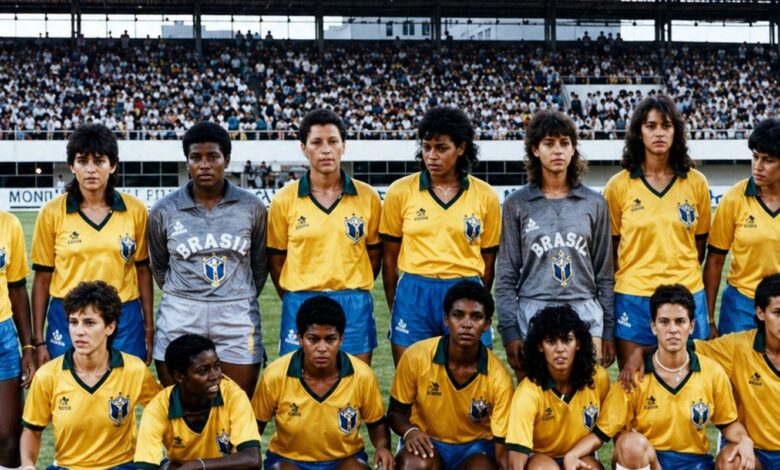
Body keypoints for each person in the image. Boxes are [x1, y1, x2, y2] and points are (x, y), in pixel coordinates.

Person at [565, 285, 755, 470]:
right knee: (629, 444)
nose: (672, 329)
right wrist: (572, 454)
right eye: (664, 322)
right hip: (649, 460)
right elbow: (601, 433)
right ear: (653, 326)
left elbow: (728, 424)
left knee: (736, 459)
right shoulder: (633, 376)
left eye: (680, 321)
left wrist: (745, 440)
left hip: (694, 462)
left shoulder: (712, 372)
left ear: (691, 326)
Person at [148, 121, 268, 396]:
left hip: (236, 312)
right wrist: (187, 294)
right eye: (196, 158)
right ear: (187, 162)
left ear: (227, 159)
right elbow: (160, 266)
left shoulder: (252, 207)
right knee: (180, 405)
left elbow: (259, 266)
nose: (204, 165)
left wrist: (234, 293)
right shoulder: (164, 210)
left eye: (213, 157)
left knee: (238, 403)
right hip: (181, 311)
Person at [496, 110, 614, 376]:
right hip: (533, 308)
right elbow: (505, 275)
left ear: (573, 149)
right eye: (549, 143)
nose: (557, 150)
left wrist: (608, 328)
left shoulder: (595, 203)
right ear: (535, 150)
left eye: (564, 143)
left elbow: (605, 275)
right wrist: (510, 330)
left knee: (587, 395)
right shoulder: (517, 204)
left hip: (584, 308)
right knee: (536, 394)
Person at [621, 273, 780, 469]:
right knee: (733, 461)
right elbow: (681, 345)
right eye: (778, 313)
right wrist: (639, 352)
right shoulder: (737, 347)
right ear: (761, 313)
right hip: (755, 454)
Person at [380, 106, 500, 365]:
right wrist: (399, 305)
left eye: (441, 148)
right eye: (426, 147)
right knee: (411, 376)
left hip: (465, 291)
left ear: (461, 148)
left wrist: (475, 298)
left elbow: (488, 261)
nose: (431, 156)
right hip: (414, 293)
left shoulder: (486, 196)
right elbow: (388, 261)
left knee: (471, 377)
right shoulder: (400, 192)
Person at [603, 95, 712, 367]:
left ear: (676, 131)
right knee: (634, 379)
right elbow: (612, 250)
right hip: (634, 297)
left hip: (687, 293)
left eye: (666, 126)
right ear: (638, 132)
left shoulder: (696, 183)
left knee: (691, 380)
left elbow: (699, 245)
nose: (659, 133)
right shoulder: (618, 186)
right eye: (651, 126)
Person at [31, 123, 153, 364]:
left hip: (123, 316)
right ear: (71, 166)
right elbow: (42, 278)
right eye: (82, 161)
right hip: (67, 315)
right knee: (68, 384)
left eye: (99, 161)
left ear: (113, 165)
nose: (90, 169)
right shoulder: (51, 212)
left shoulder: (135, 210)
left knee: (124, 384)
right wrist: (38, 341)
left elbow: (143, 271)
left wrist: (148, 328)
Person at [268, 109, 382, 364]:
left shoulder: (368, 197)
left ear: (344, 146)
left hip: (353, 301)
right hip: (301, 300)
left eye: (333, 141)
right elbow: (276, 261)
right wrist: (295, 295)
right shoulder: (284, 200)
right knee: (299, 381)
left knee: (355, 378)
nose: (326, 150)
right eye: (316, 142)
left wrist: (350, 283)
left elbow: (374, 256)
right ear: (303, 148)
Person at [20, 281, 161, 469]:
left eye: (89, 323)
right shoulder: (47, 376)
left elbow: (162, 411)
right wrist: (28, 465)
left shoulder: (134, 370)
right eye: (73, 322)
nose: (79, 331)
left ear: (110, 327)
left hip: (121, 466)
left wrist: (149, 458)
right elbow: (32, 431)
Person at [252, 296, 394, 470]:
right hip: (289, 459)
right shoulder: (274, 376)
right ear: (300, 338)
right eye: (313, 339)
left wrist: (382, 447)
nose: (321, 348)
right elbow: (255, 426)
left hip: (344, 458)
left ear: (341, 339)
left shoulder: (362, 375)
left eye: (330, 339)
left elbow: (376, 423)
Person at [387, 281, 513, 470]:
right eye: (458, 315)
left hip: (475, 448)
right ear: (446, 319)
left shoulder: (499, 378)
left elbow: (501, 445)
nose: (466, 324)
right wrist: (410, 431)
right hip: (429, 442)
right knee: (414, 464)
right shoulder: (416, 356)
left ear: (487, 324)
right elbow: (395, 413)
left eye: (476, 317)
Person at [134, 334, 261, 469]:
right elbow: (145, 467)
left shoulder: (233, 395)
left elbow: (253, 459)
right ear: (179, 377)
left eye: (217, 366)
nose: (215, 376)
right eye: (203, 371)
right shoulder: (158, 408)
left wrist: (198, 465)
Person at [505, 305, 609, 470]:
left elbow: (609, 426)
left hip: (581, 454)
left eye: (567, 340)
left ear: (578, 343)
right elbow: (515, 461)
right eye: (551, 341)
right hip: (541, 458)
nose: (560, 349)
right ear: (540, 346)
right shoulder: (527, 393)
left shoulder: (598, 378)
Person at [703, 118, 780, 336]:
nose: (758, 166)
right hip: (741, 306)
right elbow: (715, 261)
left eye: (768, 160)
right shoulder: (734, 198)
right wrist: (709, 319)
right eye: (755, 157)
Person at [0, 210, 35, 469]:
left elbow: (17, 287)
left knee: (9, 438)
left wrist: (28, 347)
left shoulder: (7, 223)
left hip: (3, 336)